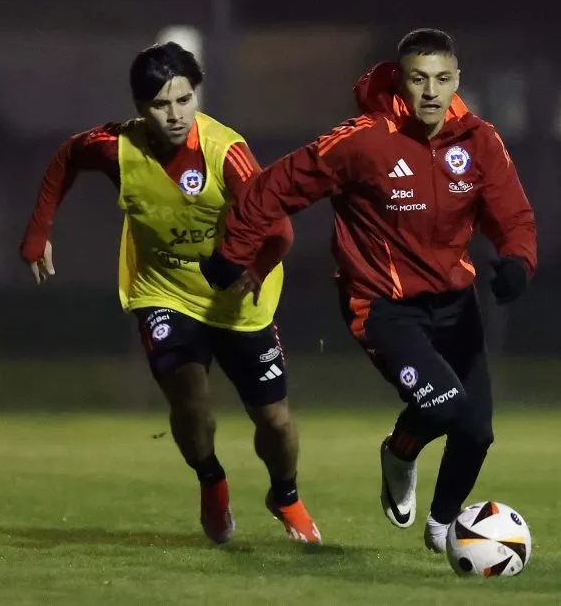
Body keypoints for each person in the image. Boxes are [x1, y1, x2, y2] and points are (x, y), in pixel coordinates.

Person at [200, 28, 536, 551]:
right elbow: (275, 187)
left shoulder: (480, 140)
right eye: (419, 79)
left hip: (455, 305)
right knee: (444, 404)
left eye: (442, 79)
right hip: (383, 307)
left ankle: (445, 528)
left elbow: (512, 213)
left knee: (476, 431)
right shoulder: (362, 140)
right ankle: (399, 454)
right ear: (401, 81)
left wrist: (518, 260)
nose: (431, 92)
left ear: (457, 82)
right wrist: (233, 253)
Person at [19, 42, 321, 544]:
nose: (176, 114)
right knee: (190, 401)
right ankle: (212, 482)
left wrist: (258, 267)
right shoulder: (117, 147)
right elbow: (68, 155)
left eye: (184, 99)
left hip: (240, 298)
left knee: (275, 421)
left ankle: (284, 495)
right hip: (163, 291)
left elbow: (280, 230)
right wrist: (39, 229)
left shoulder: (226, 151)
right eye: (161, 104)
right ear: (140, 108)